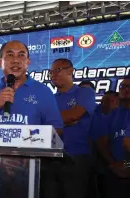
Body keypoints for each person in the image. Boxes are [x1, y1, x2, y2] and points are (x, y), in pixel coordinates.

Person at [0, 40, 63, 197]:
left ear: (28, 62)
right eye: (10, 55)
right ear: (0, 61)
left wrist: (30, 141)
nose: (15, 60)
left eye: (21, 55)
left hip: (32, 172)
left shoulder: (43, 91)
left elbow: (57, 130)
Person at [48, 58, 96, 198]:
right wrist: (64, 121)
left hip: (76, 157)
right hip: (51, 158)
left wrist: (54, 120)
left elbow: (74, 116)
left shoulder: (84, 92)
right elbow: (41, 122)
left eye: (58, 70)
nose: (53, 75)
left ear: (70, 71)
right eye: (51, 72)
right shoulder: (50, 98)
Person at [97, 77, 130, 198]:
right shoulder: (111, 115)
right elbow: (101, 142)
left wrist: (128, 164)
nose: (126, 89)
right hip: (115, 171)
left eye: (129, 86)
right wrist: (113, 163)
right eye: (122, 87)